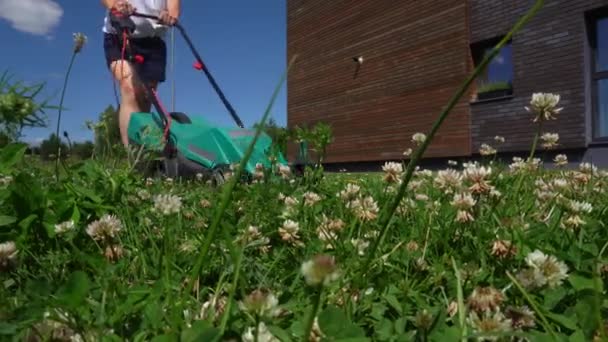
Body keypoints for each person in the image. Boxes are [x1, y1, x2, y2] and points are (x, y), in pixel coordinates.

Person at [100, 0, 180, 148]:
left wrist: (169, 16)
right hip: (120, 33)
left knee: (145, 96)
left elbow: (173, 10)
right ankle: (132, 159)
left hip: (153, 41)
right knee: (130, 88)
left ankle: (143, 150)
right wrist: (116, 5)